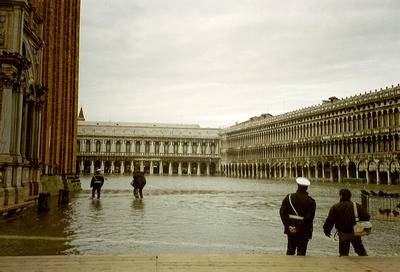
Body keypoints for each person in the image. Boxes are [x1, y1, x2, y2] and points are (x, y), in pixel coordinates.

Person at [323, 188, 370, 256]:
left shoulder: (335, 207)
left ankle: (344, 264)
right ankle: (366, 260)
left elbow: (330, 220)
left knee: (343, 252)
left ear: (341, 196)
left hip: (343, 233)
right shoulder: (357, 206)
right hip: (355, 232)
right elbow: (366, 217)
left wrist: (326, 231)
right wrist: (357, 221)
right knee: (360, 250)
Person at [280, 177, 316, 256]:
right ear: (307, 188)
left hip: (291, 227)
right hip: (304, 229)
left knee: (290, 250)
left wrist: (288, 226)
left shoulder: (288, 197)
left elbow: (282, 213)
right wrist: (298, 228)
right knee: (301, 252)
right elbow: (309, 218)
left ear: (297, 186)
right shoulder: (311, 201)